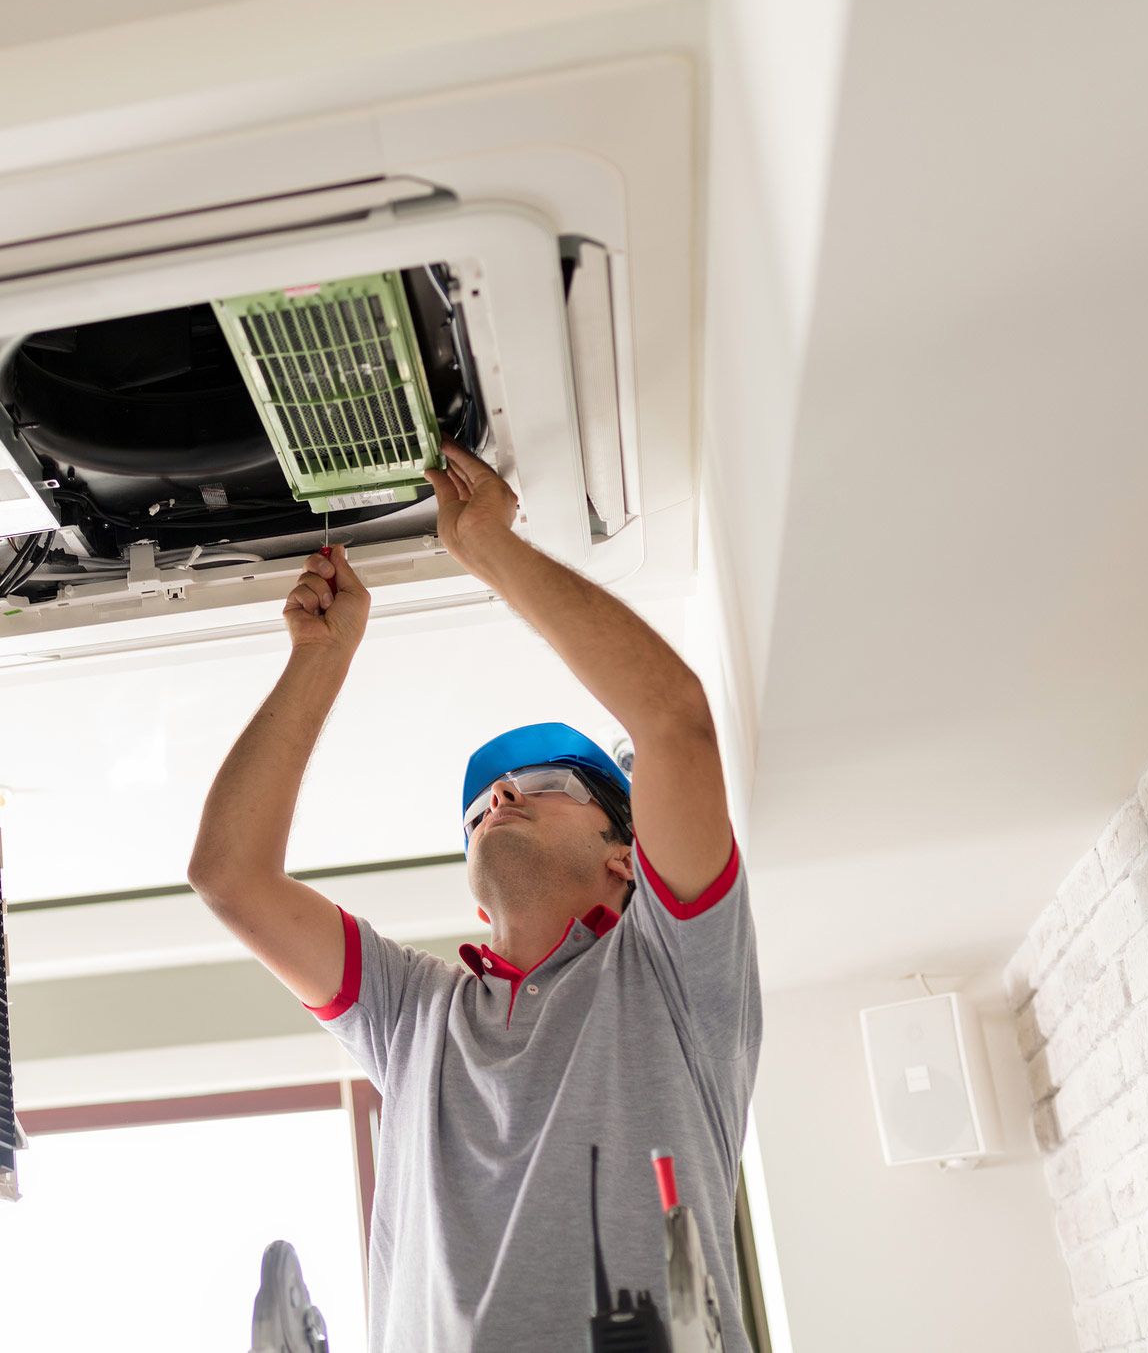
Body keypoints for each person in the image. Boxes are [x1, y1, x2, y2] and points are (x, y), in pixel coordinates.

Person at [187, 440, 761, 1351]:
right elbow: (231, 878)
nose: (498, 796)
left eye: (545, 782)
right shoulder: (412, 1015)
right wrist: (318, 659)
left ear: (627, 857)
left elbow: (673, 721)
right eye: (480, 806)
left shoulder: (673, 974)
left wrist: (489, 545)